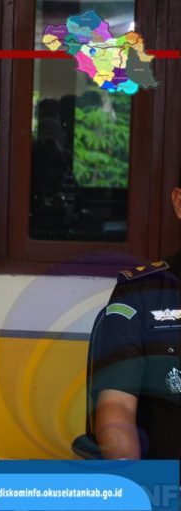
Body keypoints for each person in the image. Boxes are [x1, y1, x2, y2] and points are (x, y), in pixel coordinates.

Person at [91, 186, 181, 459]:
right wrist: (132, 479)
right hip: (165, 478)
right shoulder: (141, 293)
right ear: (179, 203)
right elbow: (117, 406)